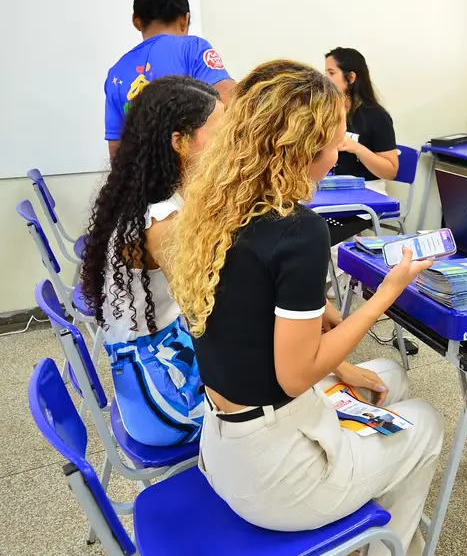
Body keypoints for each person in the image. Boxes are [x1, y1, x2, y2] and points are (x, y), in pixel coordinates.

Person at [166, 59, 443, 556]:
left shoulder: (211, 208)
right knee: (425, 421)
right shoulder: (298, 230)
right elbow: (295, 376)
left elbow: (250, 312)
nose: (338, 155)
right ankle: (388, 546)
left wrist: (315, 310)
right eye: (335, 142)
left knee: (387, 377)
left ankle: (367, 527)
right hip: (279, 477)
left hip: (225, 447)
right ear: (301, 148)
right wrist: (386, 294)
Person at [80, 76, 224, 447]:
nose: (231, 143)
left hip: (160, 354)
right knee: (271, 402)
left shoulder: (152, 196)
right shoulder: (161, 221)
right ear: (180, 142)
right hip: (159, 394)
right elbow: (210, 307)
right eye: (220, 132)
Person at [104, 0, 235, 156]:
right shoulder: (193, 48)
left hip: (145, 170)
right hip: (190, 165)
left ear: (136, 21)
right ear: (185, 20)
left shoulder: (116, 72)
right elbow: (231, 99)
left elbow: (116, 147)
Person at [325, 47, 398, 195]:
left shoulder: (377, 116)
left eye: (331, 73)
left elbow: (390, 172)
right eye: (325, 73)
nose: (325, 79)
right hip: (328, 188)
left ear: (351, 77)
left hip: (366, 192)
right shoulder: (325, 111)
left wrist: (357, 148)